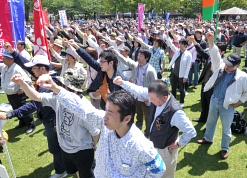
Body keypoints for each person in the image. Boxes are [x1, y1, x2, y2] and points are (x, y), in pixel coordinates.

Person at [11, 74, 166, 178]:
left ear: (126, 118)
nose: (104, 117)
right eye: (106, 110)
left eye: (111, 113)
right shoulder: (104, 123)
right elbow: (82, 108)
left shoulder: (141, 145)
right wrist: (56, 88)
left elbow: (159, 170)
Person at [1, 42, 67, 178]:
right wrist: (13, 52)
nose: (32, 71)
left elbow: (32, 105)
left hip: (52, 120)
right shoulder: (45, 77)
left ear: (42, 68)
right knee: (59, 146)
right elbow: (26, 64)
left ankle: (61, 171)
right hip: (51, 117)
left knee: (55, 147)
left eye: (34, 69)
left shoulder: (46, 86)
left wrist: (9, 115)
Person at [113, 76, 196, 178]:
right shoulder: (155, 95)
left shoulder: (176, 113)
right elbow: (138, 90)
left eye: (152, 99)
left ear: (164, 98)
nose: (149, 101)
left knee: (165, 176)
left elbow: (191, 131)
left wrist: (179, 143)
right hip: (153, 147)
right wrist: (122, 83)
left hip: (165, 152)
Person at [197, 32, 247, 160]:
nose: (227, 67)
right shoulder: (220, 67)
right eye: (227, 63)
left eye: (230, 66)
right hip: (214, 100)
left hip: (228, 106)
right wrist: (211, 40)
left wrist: (239, 102)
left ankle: (225, 148)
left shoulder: (242, 77)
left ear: (237, 66)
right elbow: (214, 55)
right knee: (210, 122)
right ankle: (208, 138)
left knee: (226, 129)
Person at [114, 47, 157, 135]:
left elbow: (155, 86)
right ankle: (138, 131)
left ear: (147, 58)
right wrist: (115, 52)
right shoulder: (136, 66)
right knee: (138, 116)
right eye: (138, 55)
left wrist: (148, 97)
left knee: (148, 117)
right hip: (136, 96)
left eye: (141, 56)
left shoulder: (151, 71)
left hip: (146, 99)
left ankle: (148, 133)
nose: (138, 57)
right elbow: (125, 60)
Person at [0, 50, 35, 134]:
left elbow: (27, 80)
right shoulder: (5, 67)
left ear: (11, 59)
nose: (3, 59)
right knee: (15, 108)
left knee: (23, 109)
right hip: (10, 94)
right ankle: (22, 122)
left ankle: (31, 124)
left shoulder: (16, 68)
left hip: (18, 94)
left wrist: (22, 89)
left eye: (5, 57)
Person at [166, 31, 192, 108]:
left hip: (182, 75)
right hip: (174, 72)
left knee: (181, 89)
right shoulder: (177, 51)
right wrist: (167, 36)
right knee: (173, 88)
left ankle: (181, 102)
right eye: (179, 44)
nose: (180, 45)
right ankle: (173, 101)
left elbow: (188, 67)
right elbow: (171, 44)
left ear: (185, 45)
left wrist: (185, 77)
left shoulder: (188, 55)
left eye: (181, 44)